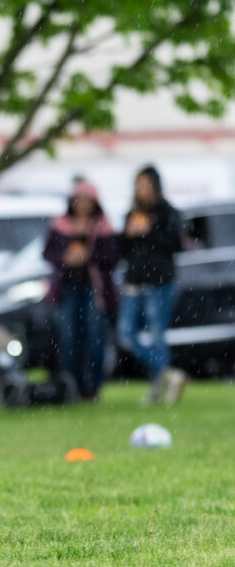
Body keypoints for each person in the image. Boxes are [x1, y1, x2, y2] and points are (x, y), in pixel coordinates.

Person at [115, 165, 186, 405]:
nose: (141, 190)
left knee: (157, 336)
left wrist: (149, 231)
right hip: (134, 282)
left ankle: (158, 389)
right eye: (138, 184)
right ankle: (168, 375)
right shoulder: (131, 213)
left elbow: (176, 244)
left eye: (145, 184)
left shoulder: (168, 213)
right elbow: (121, 251)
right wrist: (128, 234)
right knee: (126, 334)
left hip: (160, 283)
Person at [42, 180, 119, 401]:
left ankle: (92, 388)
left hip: (94, 291)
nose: (83, 205)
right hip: (66, 291)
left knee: (94, 340)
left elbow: (113, 257)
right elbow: (48, 253)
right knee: (69, 340)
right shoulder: (61, 224)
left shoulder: (103, 225)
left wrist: (89, 257)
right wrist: (66, 259)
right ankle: (73, 387)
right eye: (79, 200)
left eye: (87, 200)